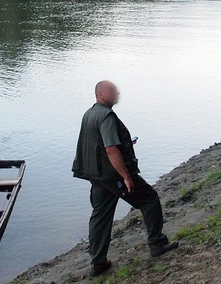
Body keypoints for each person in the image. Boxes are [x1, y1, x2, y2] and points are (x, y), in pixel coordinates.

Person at [72, 81, 179, 277]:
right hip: (112, 175)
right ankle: (157, 243)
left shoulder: (89, 113)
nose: (117, 92)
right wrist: (126, 177)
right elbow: (110, 149)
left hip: (96, 175)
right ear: (100, 94)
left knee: (100, 215)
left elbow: (99, 145)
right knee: (149, 200)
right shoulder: (106, 116)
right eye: (113, 90)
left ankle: (98, 262)